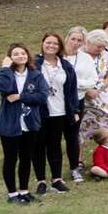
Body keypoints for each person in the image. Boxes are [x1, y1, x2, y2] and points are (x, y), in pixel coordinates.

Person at [0, 43, 48, 204]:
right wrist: (5, 68)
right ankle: (12, 194)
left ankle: (24, 191)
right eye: (16, 54)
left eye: (23, 53)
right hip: (10, 124)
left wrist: (20, 97)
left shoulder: (36, 75)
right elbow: (3, 87)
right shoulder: (3, 74)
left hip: (30, 123)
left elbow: (42, 96)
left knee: (26, 157)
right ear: (10, 57)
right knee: (11, 159)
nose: (20, 56)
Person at [35, 32, 77, 194]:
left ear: (60, 47)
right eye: (48, 43)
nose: (51, 46)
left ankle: (57, 179)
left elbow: (72, 89)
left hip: (59, 111)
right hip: (40, 112)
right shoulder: (34, 63)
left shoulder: (65, 65)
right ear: (42, 43)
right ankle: (41, 181)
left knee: (55, 146)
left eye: (55, 44)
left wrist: (74, 109)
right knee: (38, 146)